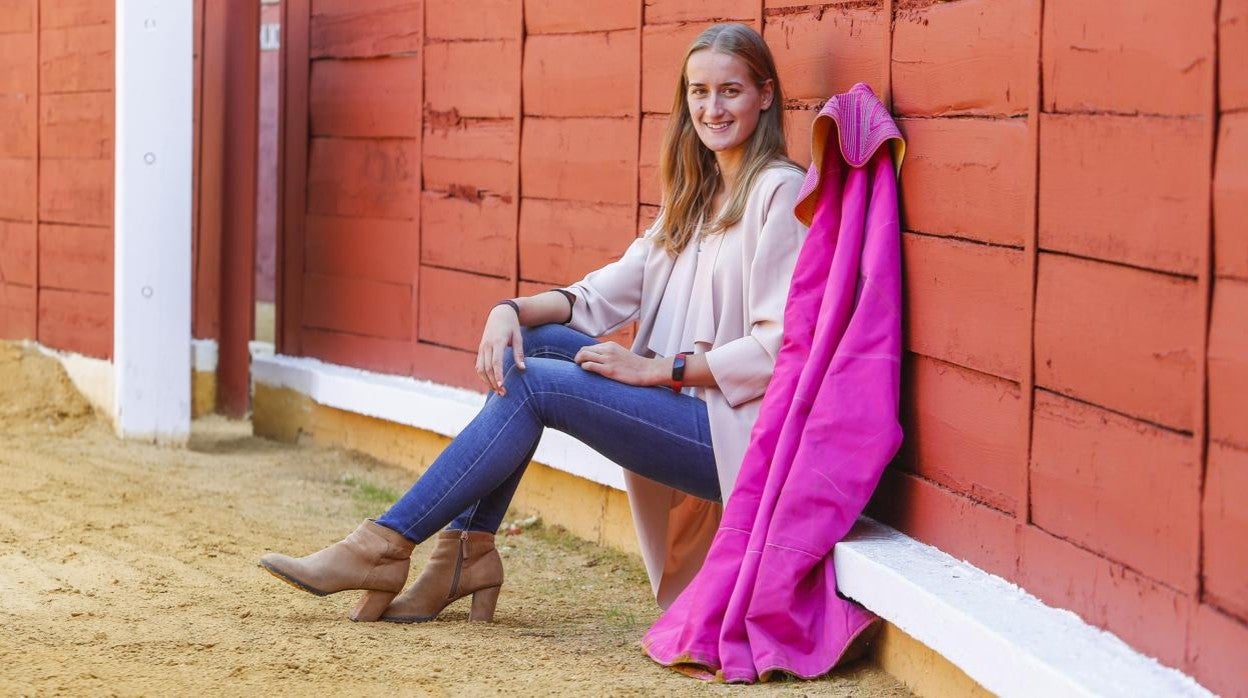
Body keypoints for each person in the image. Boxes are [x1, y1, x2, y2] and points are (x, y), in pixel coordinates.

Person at [258, 22, 810, 624]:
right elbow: (596, 297)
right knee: (535, 340)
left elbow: (776, 349)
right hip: (682, 410)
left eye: (729, 91)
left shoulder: (777, 193)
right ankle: (463, 552)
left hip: (732, 434)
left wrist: (658, 369)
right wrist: (509, 311)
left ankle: (387, 544)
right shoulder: (694, 200)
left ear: (765, 94)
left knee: (536, 383)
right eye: (698, 93)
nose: (712, 108)